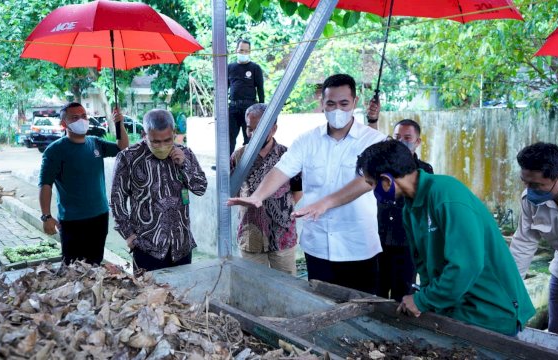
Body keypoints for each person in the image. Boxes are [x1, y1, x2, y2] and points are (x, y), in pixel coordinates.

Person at [356, 139, 535, 336]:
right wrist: (425, 299)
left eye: (372, 184)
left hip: (491, 312)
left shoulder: (446, 195)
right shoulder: (410, 207)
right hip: (458, 310)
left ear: (386, 180)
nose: (373, 191)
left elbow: (466, 266)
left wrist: (423, 301)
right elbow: (423, 264)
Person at [228, 74, 385, 294]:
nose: (337, 109)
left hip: (357, 245)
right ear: (322, 104)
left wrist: (325, 203)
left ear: (355, 102)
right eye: (331, 104)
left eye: (343, 104)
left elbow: (368, 181)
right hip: (318, 245)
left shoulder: (374, 140)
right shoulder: (307, 140)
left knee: (364, 313)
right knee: (321, 309)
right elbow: (282, 169)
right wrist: (258, 196)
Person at [110, 109, 207, 272]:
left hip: (181, 246)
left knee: (182, 295)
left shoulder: (185, 154)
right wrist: (128, 234)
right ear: (144, 134)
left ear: (174, 133)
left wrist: (184, 165)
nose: (162, 146)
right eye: (155, 141)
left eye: (167, 140)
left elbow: (200, 188)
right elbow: (116, 200)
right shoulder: (128, 158)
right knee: (149, 296)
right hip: (147, 248)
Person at [39, 102, 129, 265]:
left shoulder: (95, 143)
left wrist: (119, 122)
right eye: (75, 117)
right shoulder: (54, 151)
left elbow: (122, 148)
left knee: (95, 263)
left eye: (84, 116)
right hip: (72, 221)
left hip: (99, 216)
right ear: (64, 123)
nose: (81, 120)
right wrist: (46, 216)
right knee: (73, 268)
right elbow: (45, 185)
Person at [231, 103, 303, 275]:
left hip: (282, 237)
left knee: (287, 288)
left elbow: (298, 190)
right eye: (250, 129)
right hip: (251, 237)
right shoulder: (238, 156)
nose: (254, 134)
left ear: (274, 129)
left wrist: (281, 208)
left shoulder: (287, 155)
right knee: (254, 289)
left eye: (261, 129)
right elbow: (232, 191)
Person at [510, 142, 558, 335]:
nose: (529, 189)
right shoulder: (530, 200)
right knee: (557, 333)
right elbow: (523, 243)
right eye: (525, 182)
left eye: (536, 185)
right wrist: (511, 290)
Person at [377, 119, 433, 302]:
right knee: (378, 290)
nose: (401, 142)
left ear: (418, 141)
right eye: (396, 137)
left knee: (403, 292)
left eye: (407, 138)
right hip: (379, 239)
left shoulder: (424, 170)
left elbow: (424, 205)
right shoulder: (381, 168)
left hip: (408, 241)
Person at [228, 39, 264, 154]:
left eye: (246, 51)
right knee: (229, 137)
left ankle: (247, 165)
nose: (243, 53)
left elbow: (260, 89)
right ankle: (227, 163)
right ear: (236, 50)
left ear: (250, 51)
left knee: (249, 137)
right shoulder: (229, 67)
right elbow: (224, 88)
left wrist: (262, 109)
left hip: (249, 108)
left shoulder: (255, 68)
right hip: (233, 107)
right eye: (241, 50)